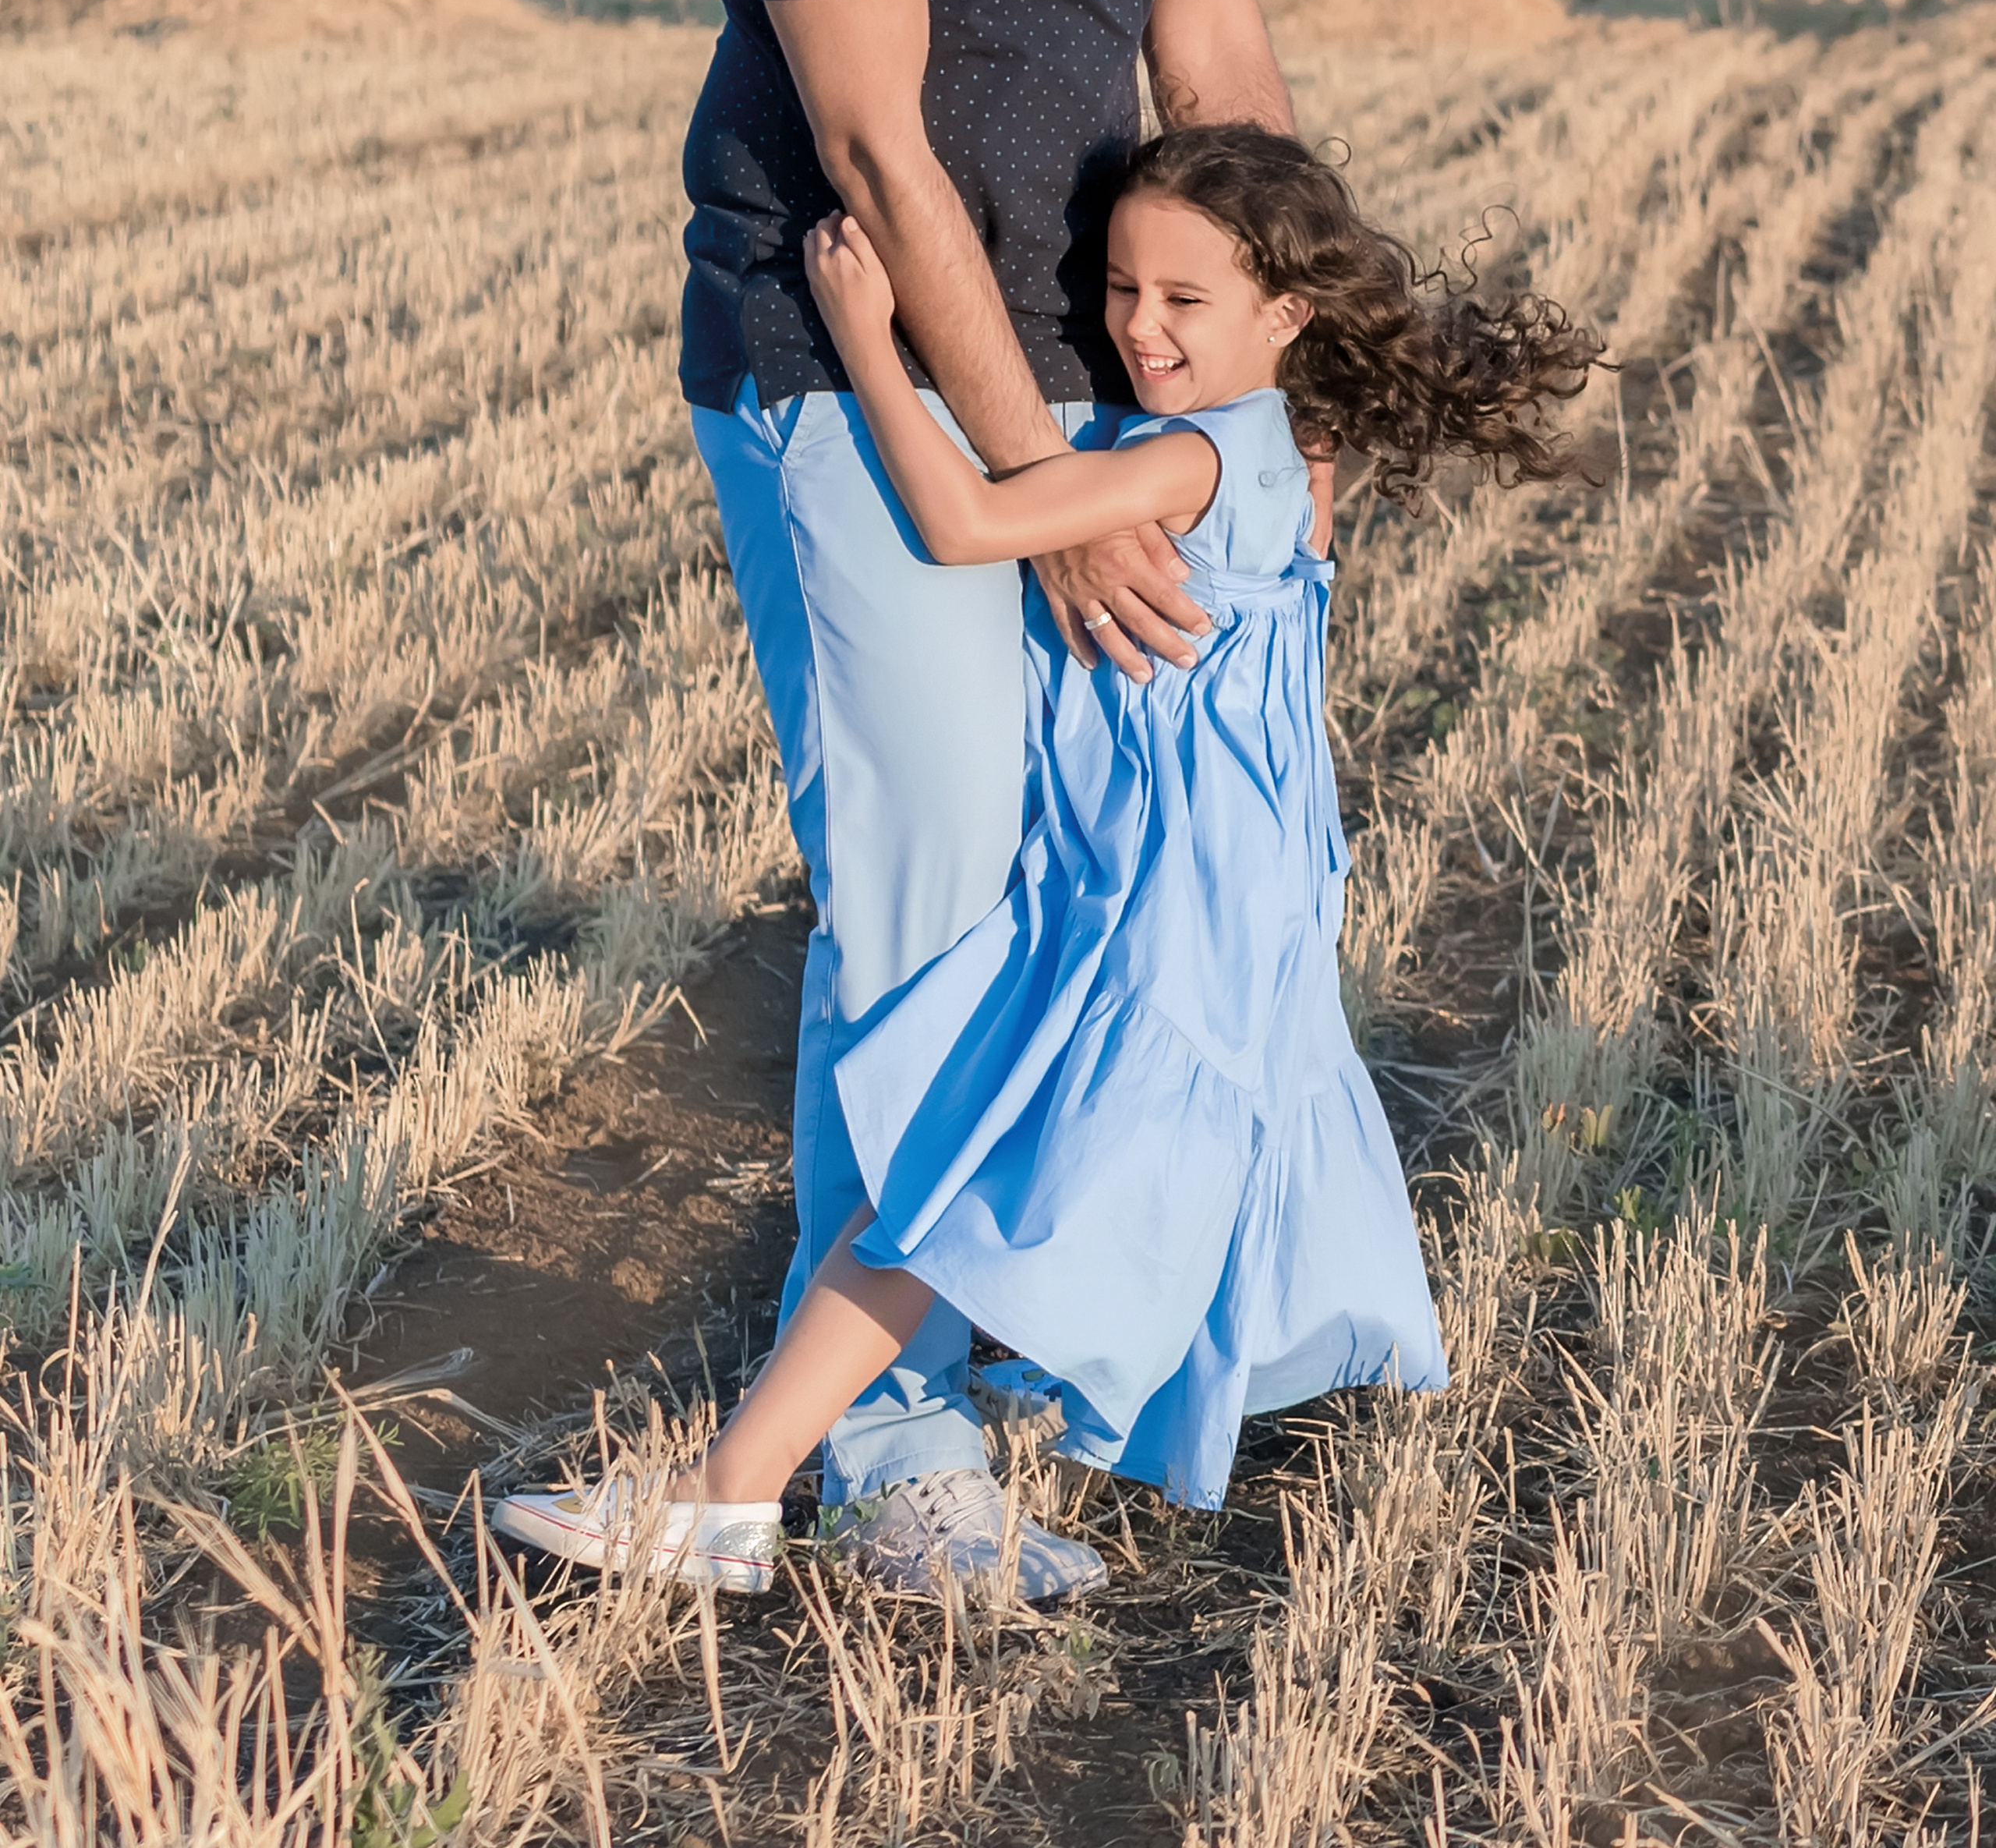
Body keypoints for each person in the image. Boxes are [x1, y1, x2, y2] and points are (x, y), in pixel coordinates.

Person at [494, 125, 1602, 1591]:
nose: (1140, 328)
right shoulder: (1272, 442)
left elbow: (965, 525)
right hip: (1202, 883)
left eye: (1184, 302)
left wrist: (869, 344)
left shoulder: (1203, 456)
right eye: (1123, 290)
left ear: (1287, 315)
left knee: (967, 1184)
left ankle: (728, 1495)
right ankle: (876, 1436)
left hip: (1164, 901)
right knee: (1026, 1174)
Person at [636, 0, 1302, 1599]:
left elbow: (1208, 44)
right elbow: (883, 158)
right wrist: (1028, 506)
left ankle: (971, 1359)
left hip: (1105, 359)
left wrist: (1278, 378)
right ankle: (893, 1456)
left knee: (1067, 898)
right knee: (930, 915)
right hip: (859, 373)